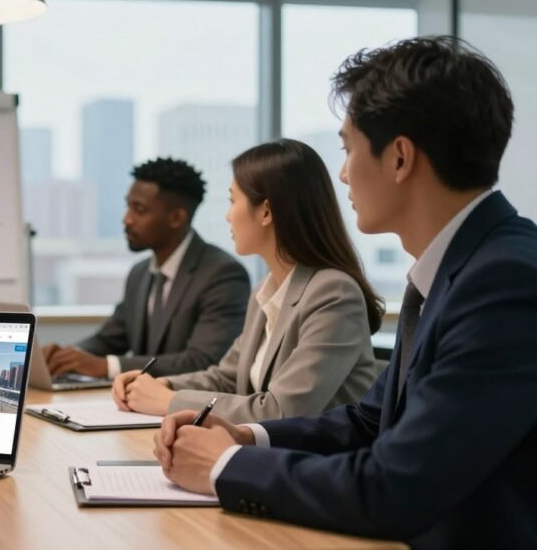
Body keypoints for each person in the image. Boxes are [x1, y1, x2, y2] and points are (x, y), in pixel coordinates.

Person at [154, 37, 537, 549]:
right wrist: (245, 435)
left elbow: (395, 488)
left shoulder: (504, 281)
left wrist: (225, 466)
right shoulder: (459, 267)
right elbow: (368, 421)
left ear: (399, 158)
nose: (342, 172)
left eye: (348, 148)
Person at [113, 140, 380, 421]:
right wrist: (163, 385)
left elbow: (281, 411)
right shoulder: (266, 291)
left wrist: (168, 401)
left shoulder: (334, 294)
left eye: (232, 201)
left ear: (265, 211)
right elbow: (226, 378)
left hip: (315, 450)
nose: (228, 216)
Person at [42, 157, 250, 379]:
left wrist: (107, 366)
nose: (127, 219)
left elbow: (202, 361)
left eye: (139, 210)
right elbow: (109, 339)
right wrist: (66, 357)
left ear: (176, 218)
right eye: (128, 206)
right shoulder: (139, 273)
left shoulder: (222, 274)